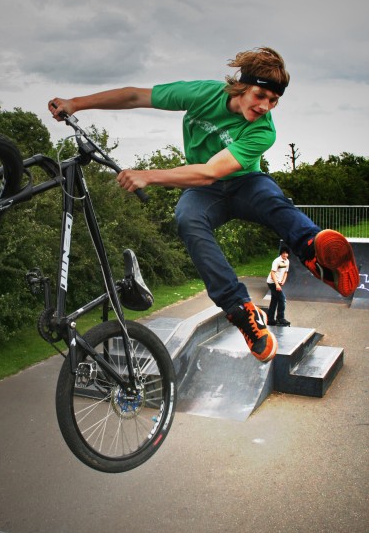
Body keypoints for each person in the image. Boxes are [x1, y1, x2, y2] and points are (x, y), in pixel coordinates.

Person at [48, 46, 359, 363]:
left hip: (244, 183)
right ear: (242, 86)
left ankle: (314, 251)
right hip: (205, 192)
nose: (265, 107)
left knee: (271, 200)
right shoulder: (201, 94)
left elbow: (212, 170)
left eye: (273, 101)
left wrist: (148, 175)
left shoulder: (263, 131)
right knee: (187, 218)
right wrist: (76, 104)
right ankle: (241, 311)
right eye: (260, 96)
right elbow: (133, 97)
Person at [267, 247, 290, 326]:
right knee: (282, 299)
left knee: (274, 300)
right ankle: (280, 318)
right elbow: (272, 273)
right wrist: (277, 284)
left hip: (278, 282)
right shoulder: (277, 261)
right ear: (281, 253)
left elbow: (286, 272)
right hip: (272, 282)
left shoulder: (287, 261)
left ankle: (270, 319)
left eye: (286, 253)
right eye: (283, 253)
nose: (285, 255)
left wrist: (283, 280)